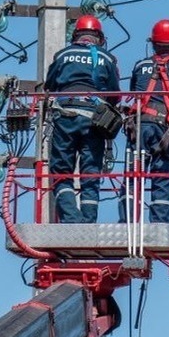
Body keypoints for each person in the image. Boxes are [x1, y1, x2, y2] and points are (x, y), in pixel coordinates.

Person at [118, 18, 169, 224]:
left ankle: (127, 223)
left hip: (138, 126)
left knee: (132, 176)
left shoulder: (140, 65)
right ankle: (159, 223)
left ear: (153, 44)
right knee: (162, 177)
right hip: (165, 130)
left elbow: (134, 89)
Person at [44, 14, 122, 223]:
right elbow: (115, 94)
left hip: (65, 116)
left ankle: (71, 219)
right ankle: (87, 222)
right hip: (94, 120)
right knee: (91, 173)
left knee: (61, 171)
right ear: (99, 37)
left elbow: (49, 85)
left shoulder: (63, 55)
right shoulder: (106, 58)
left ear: (76, 34)